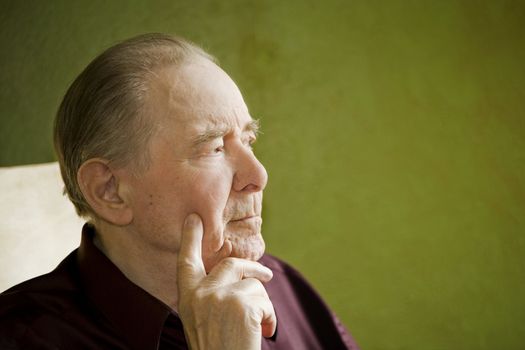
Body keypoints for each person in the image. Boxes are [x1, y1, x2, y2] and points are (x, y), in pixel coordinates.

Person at [0, 33, 359, 349]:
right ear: (109, 190)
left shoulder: (283, 288)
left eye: (248, 140)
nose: (258, 175)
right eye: (214, 147)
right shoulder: (23, 338)